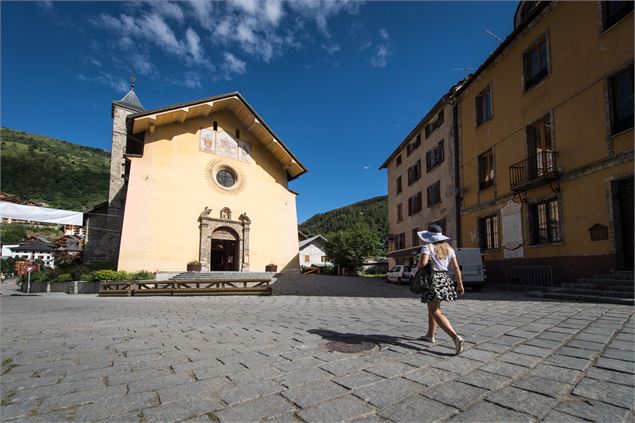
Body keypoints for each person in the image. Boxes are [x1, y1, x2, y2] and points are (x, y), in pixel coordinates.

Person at [417, 224, 465, 355]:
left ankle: (455, 337)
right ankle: (430, 335)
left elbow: (423, 263)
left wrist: (419, 263)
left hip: (433, 279)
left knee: (434, 310)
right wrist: (460, 284)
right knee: (433, 308)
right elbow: (455, 268)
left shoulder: (427, 247)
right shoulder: (449, 249)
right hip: (445, 279)